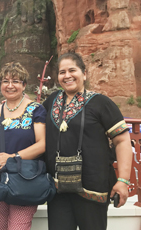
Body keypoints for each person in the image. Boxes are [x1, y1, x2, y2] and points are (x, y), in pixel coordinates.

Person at [43, 52, 132, 230]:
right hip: (58, 189)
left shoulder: (101, 103)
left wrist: (123, 181)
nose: (67, 76)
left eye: (72, 70)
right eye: (62, 72)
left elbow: (122, 141)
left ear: (84, 73)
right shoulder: (51, 102)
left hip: (93, 188)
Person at [0, 62, 47, 230]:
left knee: (18, 227)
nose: (10, 85)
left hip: (25, 179)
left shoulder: (35, 110)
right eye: (5, 81)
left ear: (24, 85)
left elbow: (42, 144)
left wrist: (12, 158)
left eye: (15, 81)